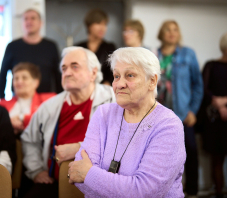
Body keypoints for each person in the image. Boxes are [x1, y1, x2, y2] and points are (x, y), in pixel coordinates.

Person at [68, 47, 186, 197]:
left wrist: (90, 175)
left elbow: (144, 192)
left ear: (152, 81)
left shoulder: (168, 126)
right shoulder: (103, 114)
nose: (119, 84)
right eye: (116, 76)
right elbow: (78, 174)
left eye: (130, 75)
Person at [21, 46, 116, 197]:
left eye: (75, 67)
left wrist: (79, 148)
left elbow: (122, 140)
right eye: (64, 68)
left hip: (99, 184)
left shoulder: (114, 100)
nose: (67, 73)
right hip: (54, 183)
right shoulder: (49, 107)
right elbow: (29, 139)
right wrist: (36, 171)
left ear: (93, 73)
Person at [156, 20, 203, 197]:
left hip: (183, 114)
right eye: (167, 29)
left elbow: (198, 86)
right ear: (161, 33)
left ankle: (191, 191)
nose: (171, 32)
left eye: (175, 29)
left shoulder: (188, 54)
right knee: (162, 155)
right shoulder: (154, 54)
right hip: (158, 114)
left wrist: (193, 110)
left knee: (190, 150)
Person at [0, 9, 62, 99]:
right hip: (19, 99)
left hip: (46, 99)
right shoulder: (12, 46)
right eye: (25, 19)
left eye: (33, 18)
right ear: (22, 23)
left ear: (40, 23)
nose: (29, 21)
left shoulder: (51, 46)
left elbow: (58, 75)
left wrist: (60, 98)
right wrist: (2, 98)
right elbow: (3, 73)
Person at [197, 32, 227, 198]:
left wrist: (225, 102)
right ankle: (218, 192)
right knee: (217, 159)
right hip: (215, 119)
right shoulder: (211, 65)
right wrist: (217, 103)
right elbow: (204, 89)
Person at [0, 62, 56, 136]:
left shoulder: (49, 100)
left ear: (36, 82)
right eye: (16, 78)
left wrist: (22, 118)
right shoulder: (2, 104)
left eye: (24, 78)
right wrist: (10, 123)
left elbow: (48, 121)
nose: (19, 82)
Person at [76, 9, 116, 85]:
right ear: (89, 25)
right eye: (98, 23)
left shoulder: (109, 47)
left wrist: (104, 88)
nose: (102, 28)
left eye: (105, 24)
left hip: (104, 91)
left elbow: (113, 72)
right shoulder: (79, 48)